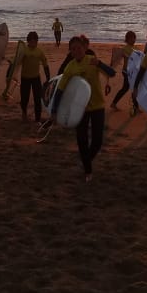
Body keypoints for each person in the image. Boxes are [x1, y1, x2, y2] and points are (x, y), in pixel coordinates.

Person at [51, 35, 115, 182]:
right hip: (80, 108)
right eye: (73, 49)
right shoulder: (70, 67)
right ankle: (88, 170)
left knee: (97, 141)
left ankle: (86, 160)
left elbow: (112, 73)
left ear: (84, 48)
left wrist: (100, 64)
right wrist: (54, 111)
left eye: (79, 48)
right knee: (81, 139)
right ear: (71, 52)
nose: (76, 51)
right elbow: (60, 90)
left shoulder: (92, 61)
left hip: (97, 105)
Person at [19, 31, 50, 123]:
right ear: (28, 41)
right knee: (24, 98)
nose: (33, 43)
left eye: (35, 41)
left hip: (36, 78)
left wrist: (48, 78)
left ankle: (37, 119)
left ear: (37, 41)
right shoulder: (24, 51)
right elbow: (16, 63)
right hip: (25, 78)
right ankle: (24, 113)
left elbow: (45, 64)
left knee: (37, 99)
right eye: (31, 41)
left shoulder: (39, 51)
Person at [111, 30, 137, 109]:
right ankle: (135, 107)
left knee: (130, 88)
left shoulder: (134, 48)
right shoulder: (125, 49)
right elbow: (117, 55)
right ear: (127, 39)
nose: (133, 40)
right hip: (126, 72)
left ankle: (114, 103)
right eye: (131, 38)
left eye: (134, 38)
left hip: (132, 72)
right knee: (130, 88)